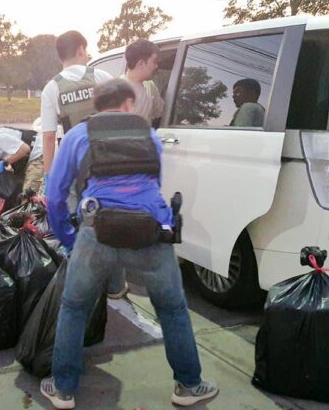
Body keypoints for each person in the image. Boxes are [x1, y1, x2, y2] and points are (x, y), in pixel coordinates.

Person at [40, 79, 218, 409]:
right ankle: (189, 385)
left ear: (97, 105)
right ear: (126, 103)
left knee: (75, 307)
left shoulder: (78, 135)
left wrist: (70, 239)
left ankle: (63, 389)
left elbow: (54, 196)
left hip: (97, 231)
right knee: (172, 309)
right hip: (150, 232)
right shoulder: (149, 135)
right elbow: (154, 185)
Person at [39, 31, 113, 186]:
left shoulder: (51, 88)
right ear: (80, 50)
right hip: (107, 159)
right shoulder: (103, 77)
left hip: (75, 164)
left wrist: (48, 175)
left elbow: (49, 137)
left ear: (60, 57)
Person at [120, 39, 165, 126]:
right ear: (141, 63)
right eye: (154, 62)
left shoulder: (150, 86)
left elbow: (160, 113)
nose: (156, 66)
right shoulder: (118, 90)